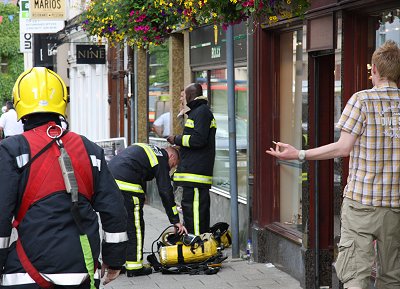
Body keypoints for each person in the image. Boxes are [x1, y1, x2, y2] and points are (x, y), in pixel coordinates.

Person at [266, 40, 400, 289]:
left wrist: (300, 154)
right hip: (395, 207)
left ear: (375, 71)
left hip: (362, 203)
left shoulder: (362, 100)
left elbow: (343, 148)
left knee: (355, 277)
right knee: (392, 277)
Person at [0, 67, 128, 288]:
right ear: (62, 102)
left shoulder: (12, 150)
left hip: (25, 274)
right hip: (82, 272)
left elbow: (1, 215)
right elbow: (114, 209)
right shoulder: (89, 149)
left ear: (19, 103)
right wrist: (114, 260)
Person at [108, 143, 186, 277]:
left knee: (118, 227)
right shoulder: (161, 158)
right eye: (174, 164)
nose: (173, 167)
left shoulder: (149, 149)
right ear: (171, 155)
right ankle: (135, 267)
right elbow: (166, 191)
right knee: (135, 227)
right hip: (126, 187)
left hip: (110, 183)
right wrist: (175, 220)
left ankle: (115, 264)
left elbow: (139, 171)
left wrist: (142, 196)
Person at [167, 83, 216, 235]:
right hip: (192, 175)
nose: (181, 99)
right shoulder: (197, 112)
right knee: (192, 212)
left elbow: (198, 140)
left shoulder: (201, 112)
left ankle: (197, 244)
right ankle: (196, 244)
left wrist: (177, 139)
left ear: (190, 95)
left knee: (195, 214)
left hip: (195, 175)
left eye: (183, 96)